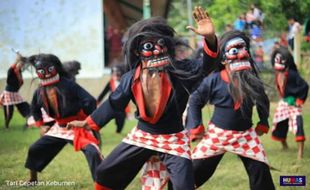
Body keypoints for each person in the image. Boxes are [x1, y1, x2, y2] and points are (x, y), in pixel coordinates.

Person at [67, 6, 218, 190]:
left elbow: (206, 65)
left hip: (173, 138)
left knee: (184, 186)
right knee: (105, 172)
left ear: (168, 46)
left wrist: (210, 38)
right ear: (137, 51)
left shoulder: (181, 71)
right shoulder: (130, 78)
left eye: (160, 44)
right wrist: (88, 122)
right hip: (143, 135)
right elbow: (114, 104)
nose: (156, 51)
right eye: (148, 46)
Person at [187, 30, 275, 190]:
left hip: (246, 136)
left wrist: (263, 121)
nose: (241, 55)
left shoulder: (253, 80)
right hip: (217, 135)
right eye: (235, 50)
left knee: (260, 171)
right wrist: (196, 126)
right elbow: (195, 100)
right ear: (222, 59)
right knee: (192, 172)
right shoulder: (213, 80)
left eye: (244, 49)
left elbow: (263, 101)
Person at [24, 54, 102, 183]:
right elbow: (34, 107)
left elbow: (90, 100)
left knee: (92, 152)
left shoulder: (68, 84)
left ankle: (101, 184)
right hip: (58, 128)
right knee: (35, 149)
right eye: (42, 71)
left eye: (49, 69)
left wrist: (87, 121)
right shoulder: (39, 90)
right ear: (38, 72)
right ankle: (33, 179)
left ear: (55, 67)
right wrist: (42, 125)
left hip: (77, 126)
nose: (47, 74)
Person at [270, 47, 308, 159]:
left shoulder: (292, 74)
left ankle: (300, 153)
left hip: (294, 104)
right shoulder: (277, 73)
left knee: (298, 125)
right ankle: (284, 145)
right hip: (284, 102)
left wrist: (299, 99)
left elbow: (304, 86)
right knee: (279, 123)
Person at [0, 54, 30, 129]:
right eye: (21, 64)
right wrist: (16, 60)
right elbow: (11, 69)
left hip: (15, 94)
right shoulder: (12, 70)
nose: (22, 65)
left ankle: (28, 122)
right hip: (9, 94)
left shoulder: (19, 72)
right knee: (9, 112)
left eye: (23, 64)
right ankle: (6, 126)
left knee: (26, 107)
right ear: (17, 63)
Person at [97, 65, 129, 133]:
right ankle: (98, 130)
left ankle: (118, 131)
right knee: (104, 117)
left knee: (120, 120)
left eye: (118, 74)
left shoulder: (124, 82)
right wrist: (98, 101)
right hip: (111, 104)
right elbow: (104, 92)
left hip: (121, 105)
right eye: (115, 74)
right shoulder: (110, 82)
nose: (116, 76)